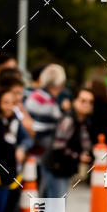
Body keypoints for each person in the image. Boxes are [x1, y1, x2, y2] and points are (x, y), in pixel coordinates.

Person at [40, 87, 93, 202]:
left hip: (64, 168)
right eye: (83, 101)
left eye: (90, 102)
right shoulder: (69, 120)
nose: (86, 105)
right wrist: (78, 156)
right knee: (56, 204)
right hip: (55, 168)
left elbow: (86, 144)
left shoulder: (83, 122)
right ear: (74, 101)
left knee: (55, 204)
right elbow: (58, 147)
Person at [24, 64, 66, 192]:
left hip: (32, 155)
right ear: (60, 83)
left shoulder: (35, 96)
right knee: (43, 194)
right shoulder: (47, 102)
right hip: (41, 156)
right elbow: (39, 130)